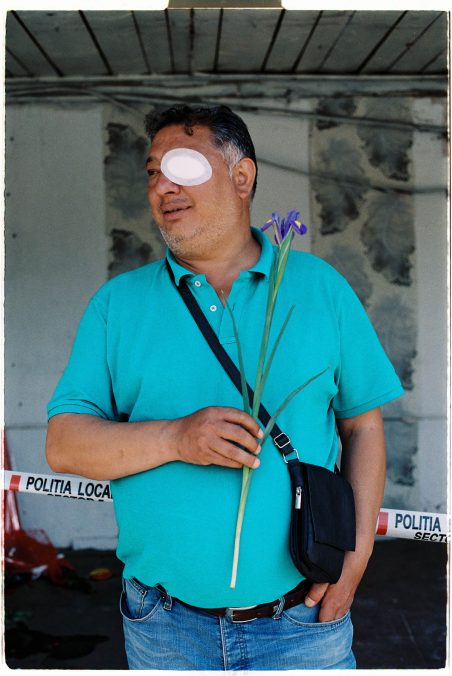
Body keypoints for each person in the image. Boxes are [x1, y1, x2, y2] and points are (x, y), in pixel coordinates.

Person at [46, 104, 404, 670]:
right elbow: (64, 443)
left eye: (183, 166)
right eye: (152, 171)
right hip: (163, 626)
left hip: (303, 623)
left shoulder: (319, 289)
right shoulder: (118, 305)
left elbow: (363, 425)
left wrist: (354, 563)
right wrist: (175, 439)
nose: (162, 184)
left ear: (243, 178)